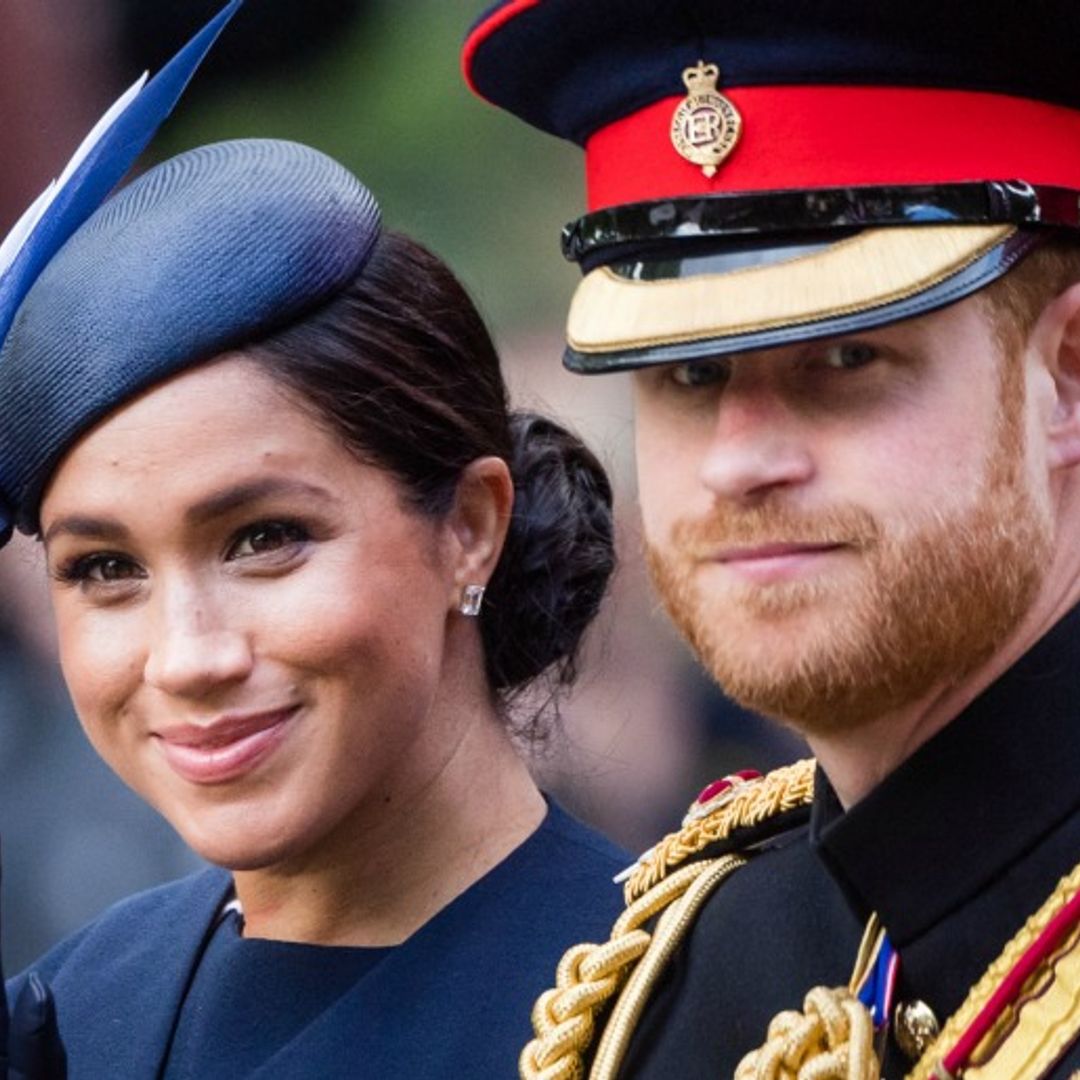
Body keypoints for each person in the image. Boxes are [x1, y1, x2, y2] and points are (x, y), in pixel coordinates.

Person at [462, 2, 1080, 1078]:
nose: (740, 461)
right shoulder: (683, 973)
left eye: (844, 360)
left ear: (1067, 375)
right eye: (690, 375)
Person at [0, 129, 629, 1077]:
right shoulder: (73, 1019)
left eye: (264, 540)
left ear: (468, 525)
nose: (186, 657)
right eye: (104, 568)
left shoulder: (678, 1001)